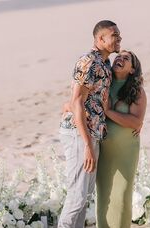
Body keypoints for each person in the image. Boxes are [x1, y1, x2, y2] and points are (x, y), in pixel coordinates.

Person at [58, 20, 122, 228]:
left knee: (83, 195)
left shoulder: (104, 63)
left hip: (91, 132)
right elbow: (77, 100)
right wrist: (86, 145)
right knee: (77, 196)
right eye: (115, 36)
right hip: (79, 133)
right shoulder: (89, 62)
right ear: (100, 39)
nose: (119, 39)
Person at [96, 50, 147, 228]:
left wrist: (108, 112)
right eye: (119, 56)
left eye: (127, 58)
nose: (120, 58)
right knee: (104, 195)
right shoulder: (103, 84)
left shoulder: (137, 92)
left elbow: (135, 122)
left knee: (122, 194)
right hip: (102, 149)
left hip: (126, 150)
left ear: (132, 70)